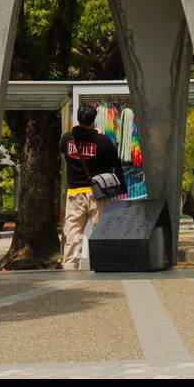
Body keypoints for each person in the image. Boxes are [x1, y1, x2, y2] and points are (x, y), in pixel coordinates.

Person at [59, 103, 125, 270]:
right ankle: (105, 266)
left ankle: (69, 269)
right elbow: (114, 162)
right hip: (98, 194)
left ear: (78, 119)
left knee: (73, 236)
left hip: (74, 194)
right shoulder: (102, 141)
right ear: (93, 120)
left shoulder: (67, 139)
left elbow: (64, 152)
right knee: (102, 231)